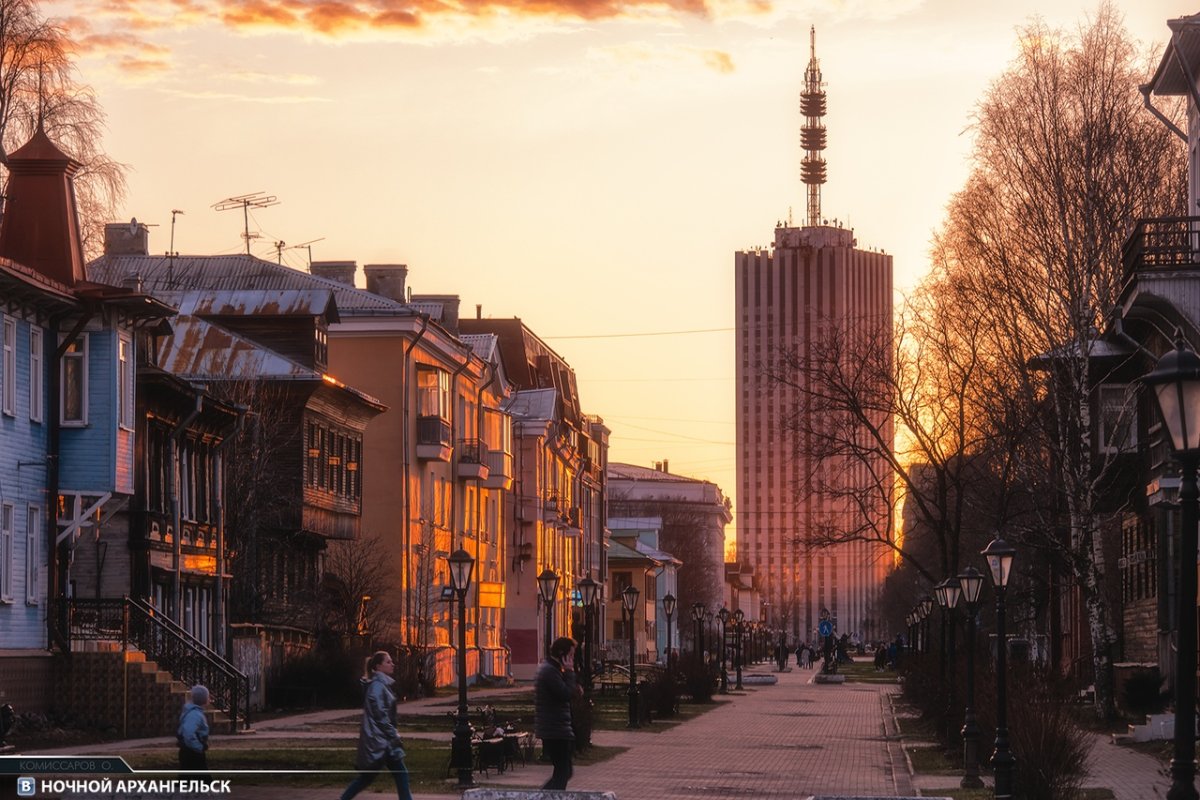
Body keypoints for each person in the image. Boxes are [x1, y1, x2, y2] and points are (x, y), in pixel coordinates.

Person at [340, 650, 412, 800]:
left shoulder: (381, 685)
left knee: (371, 777)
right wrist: (394, 734)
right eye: (388, 662)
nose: (392, 664)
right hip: (381, 742)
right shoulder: (377, 687)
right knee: (396, 774)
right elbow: (380, 716)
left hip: (382, 741)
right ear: (378, 666)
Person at [535, 636, 582, 790]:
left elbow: (565, 691)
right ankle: (545, 797)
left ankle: (543, 796)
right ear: (562, 654)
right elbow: (564, 694)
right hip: (555, 729)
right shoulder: (550, 671)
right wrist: (569, 673)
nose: (572, 659)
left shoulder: (552, 669)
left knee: (564, 771)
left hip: (556, 727)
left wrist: (574, 687)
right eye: (571, 655)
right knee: (563, 771)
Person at [177, 685, 210, 774]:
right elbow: (188, 733)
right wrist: (198, 747)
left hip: (190, 749)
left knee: (186, 777)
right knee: (202, 778)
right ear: (204, 699)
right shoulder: (195, 714)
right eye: (208, 697)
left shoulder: (194, 712)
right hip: (192, 751)